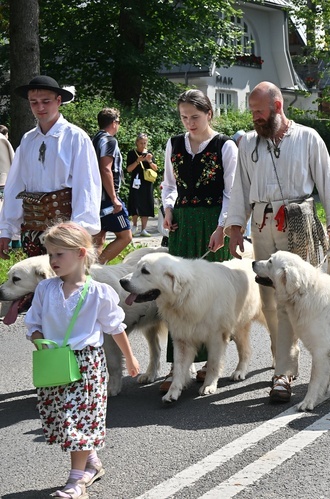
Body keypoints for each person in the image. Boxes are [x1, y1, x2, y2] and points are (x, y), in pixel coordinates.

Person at [226, 81, 330, 404]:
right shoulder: (249, 144)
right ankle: (283, 371)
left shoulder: (308, 137)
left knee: (302, 297)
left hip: (298, 223)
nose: (255, 118)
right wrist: (235, 227)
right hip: (262, 224)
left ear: (278, 107)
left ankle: (312, 360)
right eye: (252, 112)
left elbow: (327, 177)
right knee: (270, 302)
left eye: (260, 111)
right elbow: (240, 188)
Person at [26, 221, 139, 499]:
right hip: (54, 360)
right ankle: (91, 463)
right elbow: (34, 322)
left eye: (59, 254)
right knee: (62, 417)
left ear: (79, 254)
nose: (53, 261)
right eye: (50, 254)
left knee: (76, 419)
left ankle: (77, 482)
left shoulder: (97, 291)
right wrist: (39, 339)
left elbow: (115, 327)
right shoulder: (45, 290)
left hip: (87, 365)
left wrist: (131, 359)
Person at [160, 89, 238, 393]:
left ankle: (210, 361)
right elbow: (169, 184)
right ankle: (180, 364)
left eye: (195, 116)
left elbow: (232, 192)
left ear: (209, 114)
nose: (189, 123)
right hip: (181, 223)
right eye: (184, 117)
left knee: (208, 295)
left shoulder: (225, 146)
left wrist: (222, 227)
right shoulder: (174, 143)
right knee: (175, 294)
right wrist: (167, 209)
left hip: (210, 223)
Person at [0, 75, 101, 259]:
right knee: (34, 285)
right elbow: (15, 186)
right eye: (34, 102)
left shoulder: (75, 137)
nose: (40, 107)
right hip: (32, 231)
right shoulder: (28, 140)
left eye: (46, 101)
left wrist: (78, 230)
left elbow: (86, 185)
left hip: (66, 231)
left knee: (66, 283)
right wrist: (6, 230)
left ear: (58, 100)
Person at [91, 108, 132, 263]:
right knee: (125, 236)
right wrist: (114, 198)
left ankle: (89, 272)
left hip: (95, 197)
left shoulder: (94, 139)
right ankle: (98, 267)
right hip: (107, 198)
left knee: (98, 239)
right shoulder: (109, 140)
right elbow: (105, 168)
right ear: (114, 123)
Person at [126, 133, 158, 237]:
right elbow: (128, 169)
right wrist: (137, 161)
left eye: (145, 143)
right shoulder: (132, 154)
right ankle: (134, 226)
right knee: (135, 203)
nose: (143, 145)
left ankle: (144, 229)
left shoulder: (149, 153)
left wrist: (149, 161)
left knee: (146, 203)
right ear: (137, 143)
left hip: (147, 182)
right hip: (136, 181)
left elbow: (156, 168)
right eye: (141, 143)